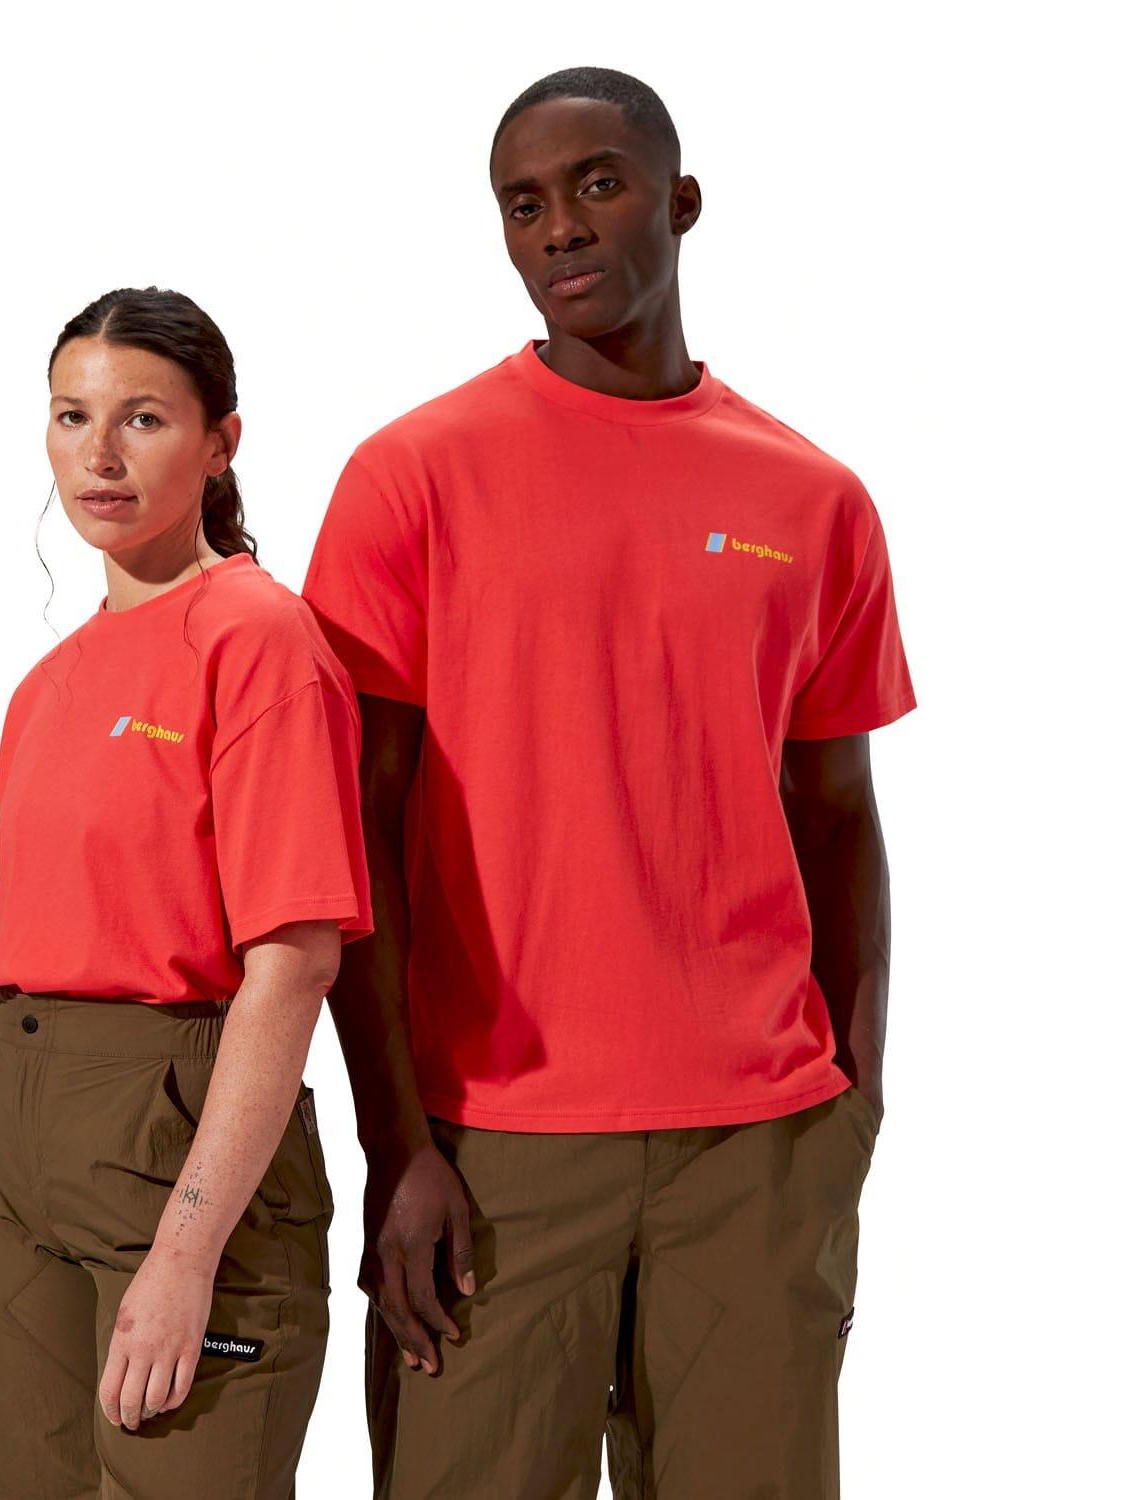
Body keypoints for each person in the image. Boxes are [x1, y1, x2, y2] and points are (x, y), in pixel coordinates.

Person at [301, 68, 917, 1499]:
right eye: (523, 204)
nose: (561, 228)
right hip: (492, 1148)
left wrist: (854, 1100)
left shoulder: (811, 497)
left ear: (680, 202)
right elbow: (356, 838)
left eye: (597, 185)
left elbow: (839, 817)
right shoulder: (413, 476)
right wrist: (396, 1143)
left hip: (759, 1147)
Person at [0, 286, 373, 1499]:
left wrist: (189, 1252)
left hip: (177, 1135)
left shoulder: (257, 640)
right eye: (72, 417)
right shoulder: (47, 686)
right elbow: (35, 971)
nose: (100, 455)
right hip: (13, 1138)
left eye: (144, 419)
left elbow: (294, 963)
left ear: (222, 443)